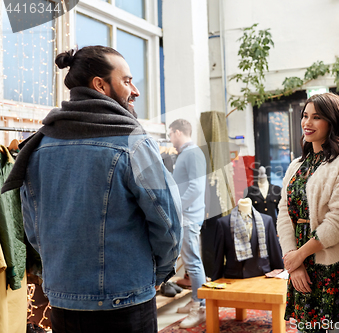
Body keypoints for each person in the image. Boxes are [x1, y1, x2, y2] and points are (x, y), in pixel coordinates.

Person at [1, 46, 182, 333]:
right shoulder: (131, 142)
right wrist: (159, 272)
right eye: (126, 81)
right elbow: (168, 221)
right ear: (100, 85)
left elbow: (33, 229)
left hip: (63, 298)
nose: (134, 90)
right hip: (126, 298)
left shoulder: (38, 145)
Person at [276, 92, 339, 333]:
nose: (307, 123)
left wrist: (299, 256)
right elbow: (284, 213)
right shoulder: (296, 165)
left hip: (332, 266)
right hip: (301, 265)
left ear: (332, 122)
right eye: (305, 116)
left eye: (316, 117)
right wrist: (293, 260)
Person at [167, 119, 207, 328]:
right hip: (187, 216)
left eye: (170, 134)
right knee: (191, 261)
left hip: (189, 216)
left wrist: (175, 208)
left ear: (177, 132)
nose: (170, 139)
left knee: (192, 262)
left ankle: (200, 307)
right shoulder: (187, 153)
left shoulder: (192, 153)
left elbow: (196, 188)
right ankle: (195, 300)